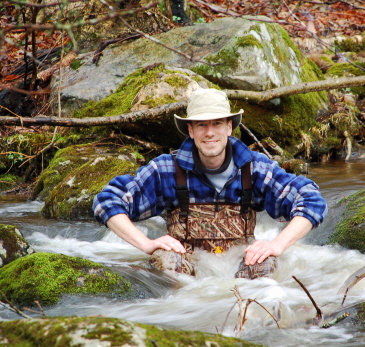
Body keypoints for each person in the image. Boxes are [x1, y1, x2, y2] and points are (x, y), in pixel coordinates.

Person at [93, 88, 327, 279]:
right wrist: (146, 244)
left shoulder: (254, 168)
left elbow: (311, 201)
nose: (210, 132)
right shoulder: (166, 170)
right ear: (191, 131)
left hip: (240, 265)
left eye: (217, 123)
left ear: (229, 127)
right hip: (185, 271)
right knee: (165, 260)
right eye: (202, 125)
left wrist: (277, 244)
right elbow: (107, 202)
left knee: (265, 263)